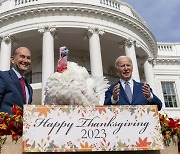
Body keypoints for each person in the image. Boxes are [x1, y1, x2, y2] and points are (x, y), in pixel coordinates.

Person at [0, 47, 33, 114]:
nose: (26, 60)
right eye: (22, 57)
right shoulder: (3, 77)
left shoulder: (29, 88)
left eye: (28, 58)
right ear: (12, 59)